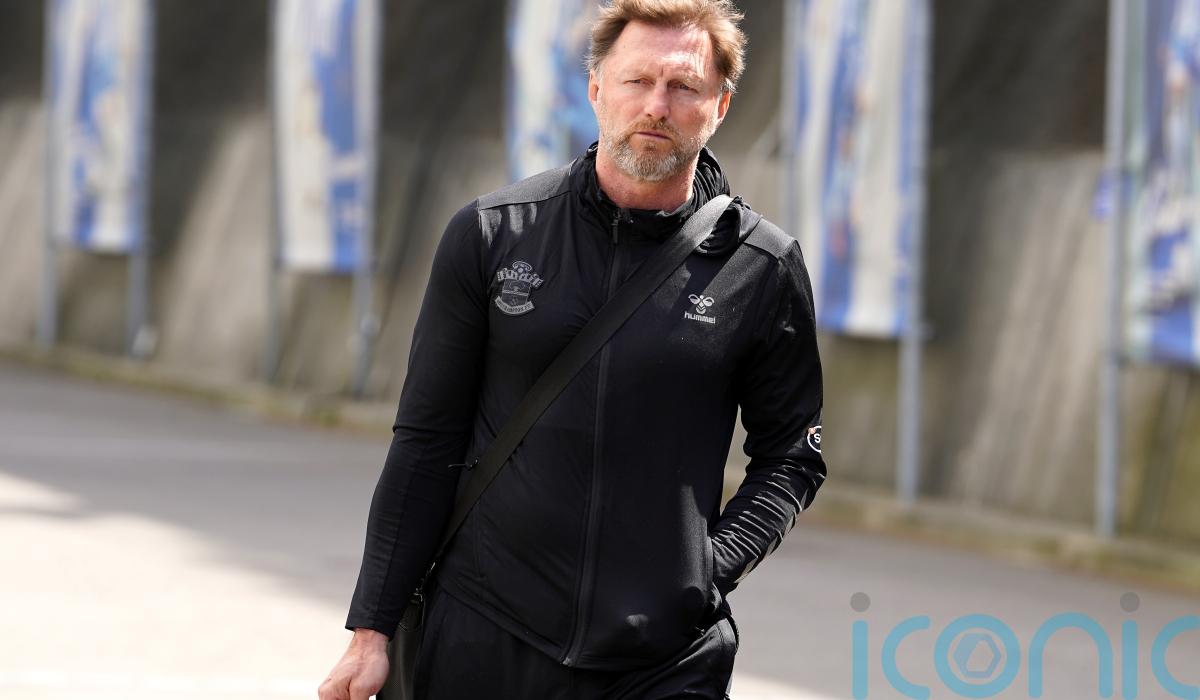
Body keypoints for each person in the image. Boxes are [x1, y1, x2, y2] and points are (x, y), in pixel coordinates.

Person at [319, 1, 825, 698]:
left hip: (664, 656)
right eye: (636, 81)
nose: (656, 106)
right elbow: (425, 442)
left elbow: (793, 454)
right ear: (596, 88)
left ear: (720, 106)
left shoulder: (760, 266)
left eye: (683, 87)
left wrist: (706, 569)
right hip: (486, 632)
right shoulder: (493, 234)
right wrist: (371, 630)